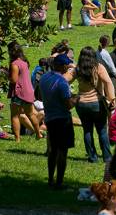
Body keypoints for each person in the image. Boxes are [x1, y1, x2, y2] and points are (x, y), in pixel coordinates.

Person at [39, 53, 79, 189]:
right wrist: (76, 98)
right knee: (62, 152)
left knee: (52, 150)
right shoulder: (62, 82)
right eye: (67, 65)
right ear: (62, 66)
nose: (68, 67)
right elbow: (68, 105)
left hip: (49, 118)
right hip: (62, 119)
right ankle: (59, 182)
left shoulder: (44, 78)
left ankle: (50, 179)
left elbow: (37, 94)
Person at [73, 46, 114, 163]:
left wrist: (71, 94)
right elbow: (108, 82)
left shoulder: (77, 69)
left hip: (81, 104)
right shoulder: (98, 67)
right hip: (97, 103)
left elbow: (64, 80)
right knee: (101, 130)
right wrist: (112, 98)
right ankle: (107, 157)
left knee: (87, 130)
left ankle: (92, 157)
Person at [7, 42, 42, 142]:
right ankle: (38, 134)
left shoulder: (14, 64)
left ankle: (17, 139)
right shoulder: (24, 62)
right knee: (31, 114)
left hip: (18, 92)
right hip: (29, 92)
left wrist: (6, 75)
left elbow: (14, 80)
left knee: (15, 116)